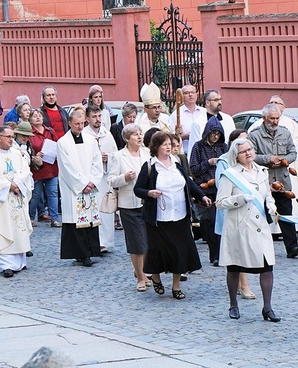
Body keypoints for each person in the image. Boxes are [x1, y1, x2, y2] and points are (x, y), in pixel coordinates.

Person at [134, 131, 207, 299]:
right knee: (158, 251)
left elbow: (188, 183)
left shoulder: (177, 162)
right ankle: (157, 278)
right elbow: (138, 189)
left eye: (171, 144)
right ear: (156, 147)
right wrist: (149, 193)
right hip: (158, 217)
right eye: (165, 144)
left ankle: (176, 287)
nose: (169, 147)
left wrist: (202, 196)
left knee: (179, 251)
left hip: (180, 215)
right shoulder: (150, 166)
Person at [216, 138, 280, 321]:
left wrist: (271, 206)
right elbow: (220, 203)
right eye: (244, 151)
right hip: (239, 228)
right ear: (237, 155)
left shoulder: (262, 172)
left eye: (250, 149)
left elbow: (266, 195)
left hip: (260, 227)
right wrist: (240, 199)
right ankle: (233, 304)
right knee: (234, 267)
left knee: (267, 267)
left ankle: (267, 308)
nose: (248, 153)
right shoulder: (230, 175)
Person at [248, 104, 298, 258]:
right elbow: (250, 156)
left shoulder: (285, 132)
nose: (275, 121)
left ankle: (292, 247)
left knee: (286, 214)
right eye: (271, 118)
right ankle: (258, 248)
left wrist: (285, 160)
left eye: (277, 118)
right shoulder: (254, 135)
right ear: (264, 118)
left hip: (282, 180)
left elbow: (293, 152)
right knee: (261, 215)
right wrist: (268, 159)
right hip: (263, 182)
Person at [0, 125, 35, 277]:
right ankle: (6, 265)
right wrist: (9, 185)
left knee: (18, 228)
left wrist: (17, 183)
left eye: (12, 137)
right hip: (2, 199)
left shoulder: (18, 154)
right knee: (4, 227)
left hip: (17, 196)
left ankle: (20, 262)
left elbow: (26, 171)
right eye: (9, 137)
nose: (12, 139)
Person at [57, 109, 104, 267]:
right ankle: (81, 254)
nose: (79, 127)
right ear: (69, 123)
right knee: (75, 220)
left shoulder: (91, 140)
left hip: (89, 186)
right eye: (76, 124)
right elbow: (66, 167)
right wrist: (82, 184)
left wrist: (92, 181)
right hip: (73, 188)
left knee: (90, 219)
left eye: (82, 123)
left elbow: (97, 162)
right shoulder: (63, 142)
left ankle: (91, 250)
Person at [107, 123, 150, 291]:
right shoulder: (119, 156)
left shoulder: (147, 153)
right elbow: (110, 180)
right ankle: (140, 277)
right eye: (135, 134)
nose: (139, 137)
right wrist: (124, 177)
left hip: (146, 202)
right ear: (126, 138)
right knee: (136, 242)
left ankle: (143, 271)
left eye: (140, 133)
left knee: (146, 241)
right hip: (128, 204)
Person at [215, 129, 257, 300]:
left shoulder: (256, 166)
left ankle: (242, 284)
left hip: (251, 213)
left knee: (245, 248)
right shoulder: (224, 162)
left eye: (248, 145)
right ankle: (243, 285)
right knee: (235, 250)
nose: (246, 150)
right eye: (241, 145)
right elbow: (221, 186)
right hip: (232, 211)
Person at [189, 115, 227, 265]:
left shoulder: (223, 147)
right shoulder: (198, 147)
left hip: (220, 188)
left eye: (218, 134)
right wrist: (208, 163)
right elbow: (193, 169)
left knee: (222, 221)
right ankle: (215, 255)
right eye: (213, 134)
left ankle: (222, 253)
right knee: (211, 222)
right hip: (205, 189)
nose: (215, 137)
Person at [82, 105, 118, 253]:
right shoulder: (84, 135)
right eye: (94, 117)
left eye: (99, 116)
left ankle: (106, 241)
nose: (98, 120)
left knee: (105, 211)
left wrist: (107, 158)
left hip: (105, 177)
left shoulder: (107, 134)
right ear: (87, 119)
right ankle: (94, 242)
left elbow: (115, 155)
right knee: (93, 210)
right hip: (91, 178)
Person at [28, 108, 60, 227]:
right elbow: (28, 149)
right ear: (30, 119)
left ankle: (54, 218)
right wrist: (35, 156)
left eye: (39, 115)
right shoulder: (30, 133)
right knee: (35, 195)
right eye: (35, 116)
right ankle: (30, 218)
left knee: (53, 193)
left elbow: (57, 145)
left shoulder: (50, 131)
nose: (38, 117)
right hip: (37, 169)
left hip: (51, 166)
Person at [187, 89, 235, 156]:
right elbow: (193, 148)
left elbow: (234, 141)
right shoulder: (198, 123)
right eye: (216, 100)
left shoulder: (228, 119)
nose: (220, 102)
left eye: (220, 99)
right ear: (207, 102)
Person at [169, 84, 202, 153]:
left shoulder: (204, 112)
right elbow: (171, 138)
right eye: (186, 93)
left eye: (192, 92)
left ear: (197, 95)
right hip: (185, 151)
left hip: (202, 151)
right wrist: (185, 136)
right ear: (182, 96)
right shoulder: (176, 114)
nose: (190, 95)